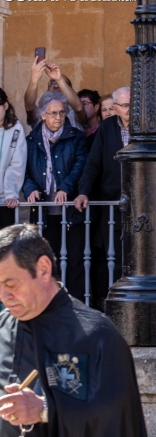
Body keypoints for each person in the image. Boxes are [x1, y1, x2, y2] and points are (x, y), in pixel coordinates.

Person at [0, 224, 151, 437]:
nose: (4, 297)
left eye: (11, 285)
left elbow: (113, 421)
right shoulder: (2, 327)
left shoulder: (95, 335)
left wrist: (43, 410)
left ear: (43, 269)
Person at [22, 91, 87, 301]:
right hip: (42, 212)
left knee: (75, 260)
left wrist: (65, 188)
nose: (58, 117)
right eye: (53, 113)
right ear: (42, 115)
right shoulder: (30, 140)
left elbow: (79, 166)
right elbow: (23, 171)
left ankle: (75, 305)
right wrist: (30, 188)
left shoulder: (76, 137)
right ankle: (47, 305)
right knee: (45, 261)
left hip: (70, 211)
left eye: (61, 113)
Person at [74, 87, 131, 299]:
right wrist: (83, 192)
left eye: (132, 105)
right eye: (125, 106)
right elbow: (93, 163)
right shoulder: (106, 128)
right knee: (113, 260)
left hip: (141, 204)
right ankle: (116, 305)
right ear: (114, 108)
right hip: (113, 205)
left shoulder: (145, 126)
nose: (129, 110)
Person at [24, 57, 86, 129]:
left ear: (70, 91)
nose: (56, 86)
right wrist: (34, 79)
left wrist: (59, 79)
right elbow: (29, 106)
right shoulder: (42, 112)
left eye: (61, 84)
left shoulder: (73, 114)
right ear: (47, 89)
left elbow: (79, 108)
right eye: (53, 83)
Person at [0, 89, 27, 229]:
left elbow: (17, 163)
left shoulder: (15, 128)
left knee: (4, 247)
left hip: (5, 201)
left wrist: (11, 193)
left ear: (5, 106)